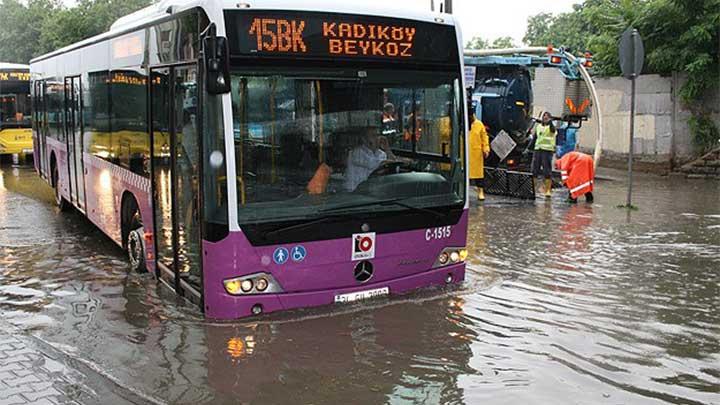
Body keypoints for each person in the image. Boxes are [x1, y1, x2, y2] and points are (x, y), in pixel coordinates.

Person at [344, 128, 395, 192]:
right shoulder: (356, 153)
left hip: (373, 192)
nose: (377, 138)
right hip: (355, 192)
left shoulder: (381, 154)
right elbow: (377, 164)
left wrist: (387, 148)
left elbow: (392, 166)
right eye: (373, 136)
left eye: (377, 135)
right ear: (364, 139)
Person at [532, 111, 557, 198]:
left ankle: (547, 190)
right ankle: (533, 189)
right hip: (538, 150)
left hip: (547, 151)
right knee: (535, 170)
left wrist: (550, 122)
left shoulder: (551, 128)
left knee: (547, 171)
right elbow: (535, 138)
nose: (545, 118)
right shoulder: (538, 127)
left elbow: (553, 132)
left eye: (547, 117)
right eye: (544, 116)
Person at [468, 105, 490, 200]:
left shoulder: (479, 124)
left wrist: (486, 149)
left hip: (475, 154)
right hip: (464, 152)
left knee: (478, 175)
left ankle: (481, 191)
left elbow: (484, 137)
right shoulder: (461, 123)